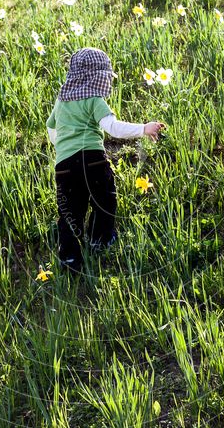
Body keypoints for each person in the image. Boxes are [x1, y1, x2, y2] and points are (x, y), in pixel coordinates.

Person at [46, 47, 165, 272]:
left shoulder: (62, 100)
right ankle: (99, 241)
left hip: (64, 165)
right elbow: (112, 127)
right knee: (104, 200)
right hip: (92, 159)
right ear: (99, 77)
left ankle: (70, 259)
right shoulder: (93, 98)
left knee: (69, 211)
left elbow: (51, 127)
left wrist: (61, 146)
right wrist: (144, 128)